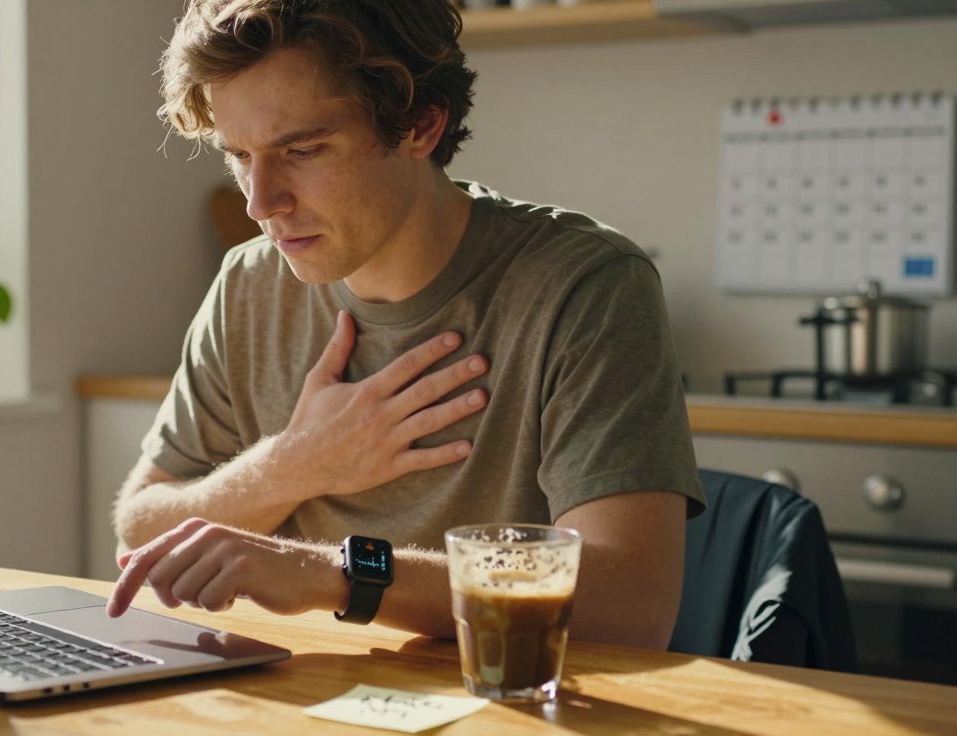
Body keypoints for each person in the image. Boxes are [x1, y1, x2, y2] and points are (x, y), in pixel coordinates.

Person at [107, 0, 704, 648]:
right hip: (303, 692)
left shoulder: (584, 287)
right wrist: (294, 464)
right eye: (240, 156)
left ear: (420, 124)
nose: (259, 202)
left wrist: (336, 575)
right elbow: (139, 530)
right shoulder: (248, 286)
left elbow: (630, 605)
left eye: (302, 150)